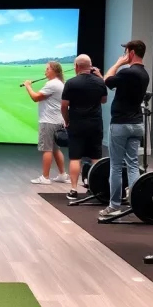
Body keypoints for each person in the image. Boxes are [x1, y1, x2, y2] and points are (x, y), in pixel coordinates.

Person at [98, 40, 150, 219]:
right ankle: (136, 202)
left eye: (126, 52)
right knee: (133, 165)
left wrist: (118, 63)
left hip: (121, 124)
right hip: (137, 124)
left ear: (131, 52)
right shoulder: (144, 74)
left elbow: (106, 80)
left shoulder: (128, 71)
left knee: (116, 166)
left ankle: (114, 206)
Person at [61, 54, 107, 201]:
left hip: (76, 124)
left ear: (76, 66)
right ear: (91, 66)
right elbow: (104, 100)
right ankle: (96, 189)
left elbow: (64, 106)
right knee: (95, 157)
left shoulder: (71, 83)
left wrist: (67, 120)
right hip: (95, 124)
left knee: (75, 157)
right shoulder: (100, 82)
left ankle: (74, 190)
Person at [23, 61, 69, 185]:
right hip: (57, 120)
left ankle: (45, 177)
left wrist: (28, 85)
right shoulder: (59, 83)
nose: (45, 71)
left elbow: (35, 97)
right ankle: (62, 174)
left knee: (47, 149)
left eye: (47, 69)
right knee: (55, 149)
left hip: (48, 121)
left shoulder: (52, 84)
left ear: (54, 70)